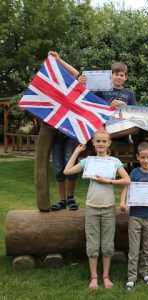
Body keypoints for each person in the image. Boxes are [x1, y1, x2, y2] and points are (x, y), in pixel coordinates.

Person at [63, 129, 130, 290]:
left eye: (103, 141)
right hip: (92, 208)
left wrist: (109, 181)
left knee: (107, 245)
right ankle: (94, 277)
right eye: (97, 141)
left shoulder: (114, 161)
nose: (100, 144)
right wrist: (76, 151)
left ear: (109, 143)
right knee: (92, 245)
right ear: (93, 143)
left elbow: (127, 180)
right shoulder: (89, 161)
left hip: (108, 208)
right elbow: (67, 171)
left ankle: (106, 276)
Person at [120, 142, 148, 292]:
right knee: (134, 248)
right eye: (143, 157)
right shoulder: (134, 173)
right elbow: (126, 186)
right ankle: (131, 277)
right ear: (138, 157)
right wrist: (122, 202)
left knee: (147, 247)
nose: (146, 160)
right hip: (135, 216)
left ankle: (144, 272)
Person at [47, 51, 80, 211]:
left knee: (70, 163)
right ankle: (62, 200)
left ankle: (70, 198)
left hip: (71, 131)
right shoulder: (48, 90)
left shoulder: (68, 86)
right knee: (59, 167)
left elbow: (75, 73)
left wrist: (58, 60)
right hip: (54, 133)